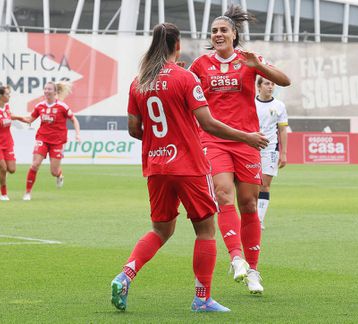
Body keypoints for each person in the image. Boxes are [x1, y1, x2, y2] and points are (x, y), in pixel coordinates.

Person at [110, 23, 268, 313]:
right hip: (188, 166)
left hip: (156, 166)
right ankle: (202, 298)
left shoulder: (139, 82)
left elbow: (134, 128)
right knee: (206, 231)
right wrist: (247, 137)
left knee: (160, 229)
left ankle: (125, 276)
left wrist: (160, 140)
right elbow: (208, 124)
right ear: (177, 45)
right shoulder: (185, 78)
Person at [188, 5, 291, 294]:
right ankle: (236, 258)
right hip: (213, 140)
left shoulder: (249, 60)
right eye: (214, 31)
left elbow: (285, 80)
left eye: (223, 30)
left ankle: (254, 270)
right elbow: (185, 93)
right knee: (223, 194)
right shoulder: (200, 65)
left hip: (248, 141)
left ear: (235, 34)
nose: (218, 34)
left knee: (249, 205)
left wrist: (258, 66)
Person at [14, 82, 81, 201]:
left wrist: (77, 134)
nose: (46, 91)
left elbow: (74, 119)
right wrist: (14, 117)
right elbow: (30, 119)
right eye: (45, 89)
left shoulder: (62, 106)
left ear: (55, 92)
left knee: (53, 171)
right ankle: (27, 193)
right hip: (42, 139)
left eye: (49, 89)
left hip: (58, 141)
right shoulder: (40, 106)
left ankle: (59, 175)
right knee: (35, 164)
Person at [255, 77, 289, 230]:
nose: (270, 87)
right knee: (251, 186)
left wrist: (284, 153)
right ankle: (251, 216)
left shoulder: (279, 106)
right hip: (250, 147)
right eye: (267, 84)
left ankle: (259, 220)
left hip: (270, 149)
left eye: (272, 84)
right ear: (259, 86)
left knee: (265, 185)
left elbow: (282, 130)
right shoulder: (250, 103)